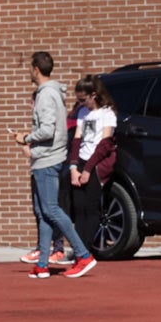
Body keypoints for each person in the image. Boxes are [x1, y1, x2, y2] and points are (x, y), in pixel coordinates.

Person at [11, 51, 97, 279]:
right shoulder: (52, 93)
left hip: (47, 158)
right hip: (47, 157)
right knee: (45, 212)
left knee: (51, 210)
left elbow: (48, 129)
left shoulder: (46, 95)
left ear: (36, 69)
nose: (30, 72)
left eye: (31, 68)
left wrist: (26, 138)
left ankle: (83, 254)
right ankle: (42, 264)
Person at [68, 75, 116, 251]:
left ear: (93, 94)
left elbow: (105, 144)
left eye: (83, 99)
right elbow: (76, 140)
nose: (81, 103)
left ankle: (85, 250)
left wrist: (88, 169)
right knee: (79, 208)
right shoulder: (82, 113)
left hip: (95, 164)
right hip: (81, 161)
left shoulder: (107, 114)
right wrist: (74, 167)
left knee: (91, 207)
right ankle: (78, 249)